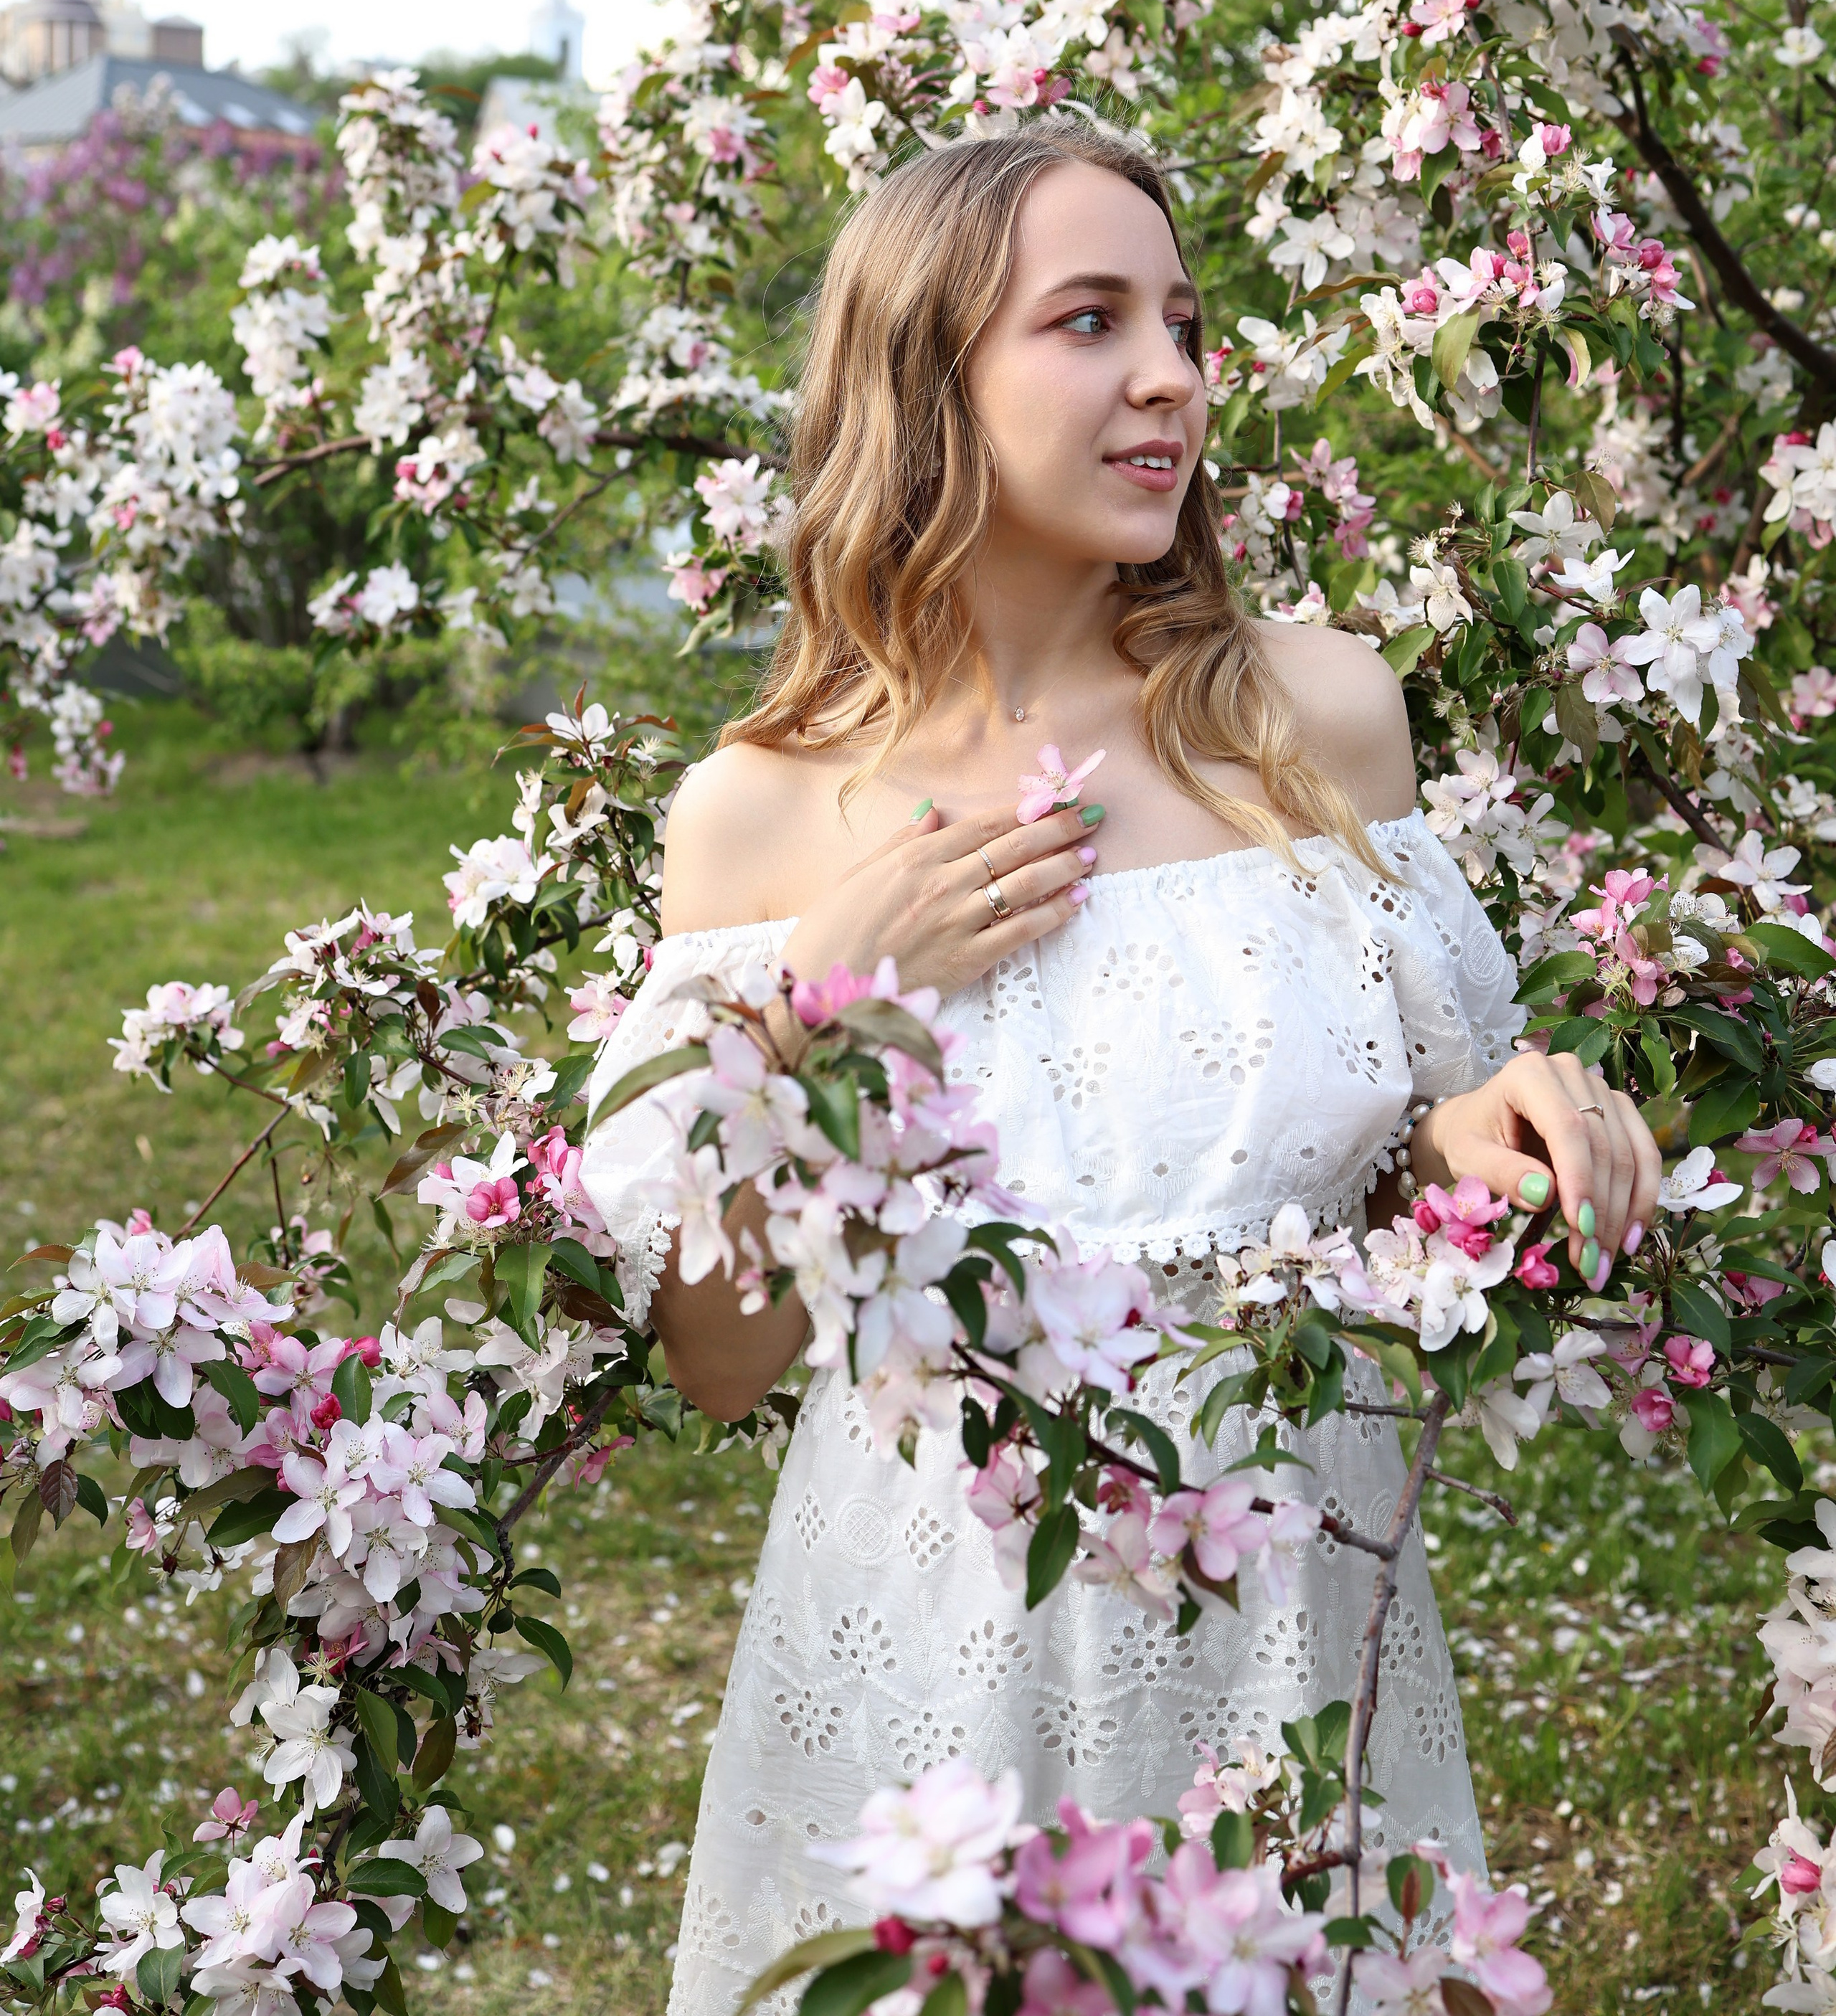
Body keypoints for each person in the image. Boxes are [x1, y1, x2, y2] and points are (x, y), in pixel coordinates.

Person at [579, 118, 1661, 2013]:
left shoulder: (1319, 719)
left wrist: (1496, 1131)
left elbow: (1408, 1162)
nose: (1169, 371)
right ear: (927, 379)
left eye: (1178, 318)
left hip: (1283, 1635)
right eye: (1088, 320)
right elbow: (725, 1359)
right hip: (936, 1664)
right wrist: (817, 992)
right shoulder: (758, 817)